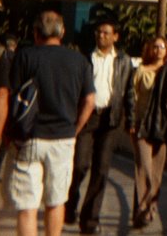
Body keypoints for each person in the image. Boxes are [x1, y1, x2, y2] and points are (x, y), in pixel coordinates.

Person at [4, 10, 95, 236]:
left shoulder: (25, 56)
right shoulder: (79, 61)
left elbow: (10, 97)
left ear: (35, 32)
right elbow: (90, 101)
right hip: (63, 139)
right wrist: (75, 129)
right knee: (56, 202)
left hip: (29, 138)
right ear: (62, 32)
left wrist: (6, 133)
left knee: (27, 206)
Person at [66, 19, 136, 234]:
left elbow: (129, 93)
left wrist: (131, 121)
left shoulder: (124, 61)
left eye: (106, 33)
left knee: (101, 170)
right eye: (98, 32)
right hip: (88, 117)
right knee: (80, 165)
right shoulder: (86, 58)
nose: (101, 36)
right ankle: (70, 202)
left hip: (111, 119)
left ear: (115, 36)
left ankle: (89, 221)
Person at [129, 36, 167, 229]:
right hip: (143, 127)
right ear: (149, 50)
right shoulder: (140, 71)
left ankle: (149, 210)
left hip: (162, 128)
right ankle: (141, 209)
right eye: (155, 47)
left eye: (162, 47)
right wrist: (131, 122)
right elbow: (133, 97)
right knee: (144, 169)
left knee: (156, 173)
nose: (158, 50)